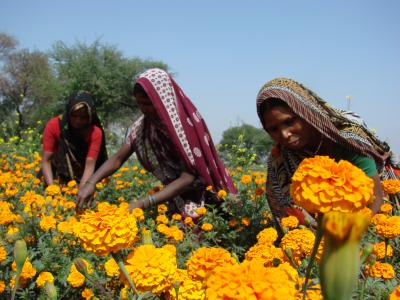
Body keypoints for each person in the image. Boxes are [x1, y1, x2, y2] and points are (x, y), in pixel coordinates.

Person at [77, 68, 236, 215]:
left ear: (161, 100)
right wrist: (91, 182)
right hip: (175, 198)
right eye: (139, 103)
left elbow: (188, 178)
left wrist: (143, 203)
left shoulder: (185, 127)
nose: (143, 109)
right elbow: (118, 158)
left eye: (147, 103)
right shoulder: (143, 126)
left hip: (209, 201)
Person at [256, 77, 397, 230]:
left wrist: (344, 239)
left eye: (289, 122)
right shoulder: (280, 159)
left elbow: (376, 198)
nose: (285, 134)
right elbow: (285, 215)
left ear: (305, 111)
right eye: (273, 129)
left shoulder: (346, 139)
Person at [41, 91, 108, 189]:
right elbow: (46, 160)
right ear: (68, 112)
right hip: (57, 176)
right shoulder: (54, 125)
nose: (77, 121)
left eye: (83, 117)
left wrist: (81, 192)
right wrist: (52, 189)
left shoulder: (95, 132)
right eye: (74, 115)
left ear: (90, 116)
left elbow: (90, 164)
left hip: (87, 179)